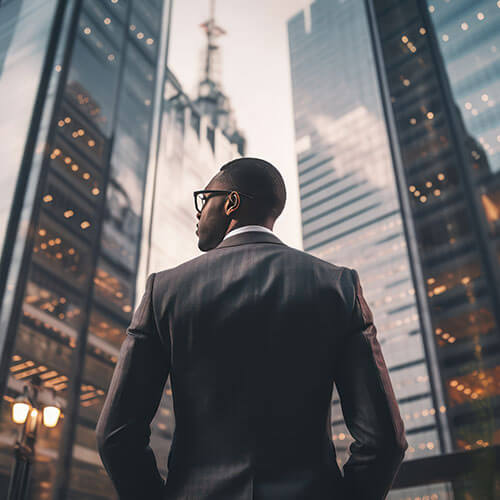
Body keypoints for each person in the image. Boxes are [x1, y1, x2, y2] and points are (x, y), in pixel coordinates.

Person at [96, 157, 408, 499]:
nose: (198, 213)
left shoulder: (165, 291)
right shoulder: (337, 286)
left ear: (232, 202)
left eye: (205, 199)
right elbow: (385, 442)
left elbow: (116, 436)